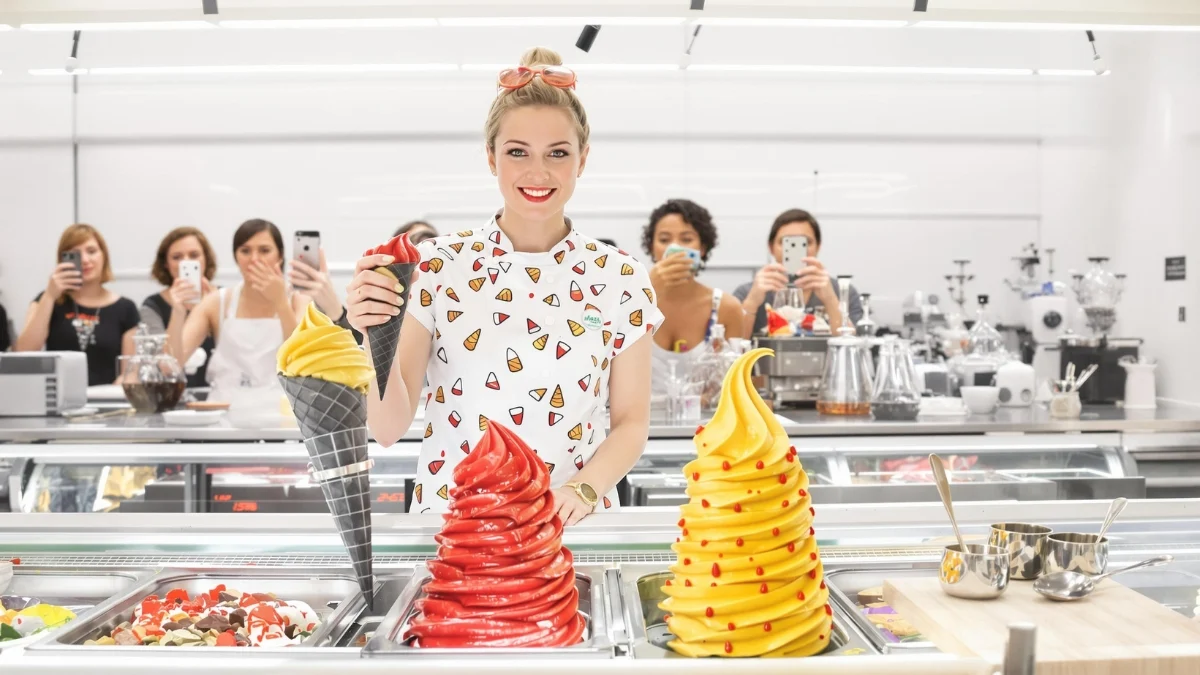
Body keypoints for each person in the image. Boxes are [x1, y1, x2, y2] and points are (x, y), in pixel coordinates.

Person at [345, 47, 662, 524]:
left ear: (583, 159)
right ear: (491, 157)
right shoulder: (438, 266)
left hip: (570, 529)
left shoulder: (619, 276)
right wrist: (370, 332)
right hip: (457, 531)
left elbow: (632, 423)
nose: (539, 172)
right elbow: (387, 428)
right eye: (518, 152)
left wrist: (581, 490)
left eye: (558, 153)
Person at [168, 219, 308, 402]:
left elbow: (303, 356)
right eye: (245, 251)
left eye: (264, 250)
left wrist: (281, 303)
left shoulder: (299, 299)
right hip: (224, 413)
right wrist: (177, 312)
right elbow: (171, 364)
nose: (254, 259)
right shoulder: (217, 302)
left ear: (280, 256)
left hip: (282, 412)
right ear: (236, 257)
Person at [16, 224, 140, 385]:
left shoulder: (125, 308)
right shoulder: (47, 300)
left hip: (108, 401)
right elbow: (24, 353)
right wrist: (50, 296)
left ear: (104, 256)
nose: (85, 260)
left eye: (91, 251)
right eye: (75, 254)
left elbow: (129, 373)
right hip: (57, 399)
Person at [643, 199, 743, 396]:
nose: (675, 248)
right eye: (664, 240)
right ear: (652, 247)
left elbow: (736, 382)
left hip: (706, 423)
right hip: (638, 422)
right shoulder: (629, 298)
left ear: (702, 248)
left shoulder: (726, 307)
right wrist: (644, 292)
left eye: (687, 239)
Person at [734, 208, 863, 338]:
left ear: (818, 246)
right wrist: (752, 302)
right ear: (771, 247)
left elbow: (854, 347)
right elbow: (734, 345)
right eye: (786, 242)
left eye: (805, 242)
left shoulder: (844, 292)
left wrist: (830, 300)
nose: (796, 250)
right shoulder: (746, 293)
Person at [141, 227, 218, 387]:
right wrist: (178, 312)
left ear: (206, 259)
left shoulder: (221, 297)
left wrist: (216, 310)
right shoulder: (153, 305)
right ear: (166, 264)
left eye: (194, 255)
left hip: (218, 393)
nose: (186, 262)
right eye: (177, 257)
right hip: (173, 394)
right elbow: (165, 366)